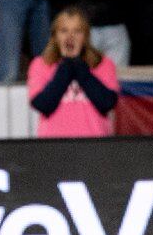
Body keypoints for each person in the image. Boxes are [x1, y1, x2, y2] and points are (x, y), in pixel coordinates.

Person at [27, 7, 120, 138]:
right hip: (53, 144)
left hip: (95, 143)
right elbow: (43, 105)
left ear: (85, 35)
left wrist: (77, 63)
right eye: (64, 31)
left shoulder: (103, 64)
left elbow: (107, 103)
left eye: (77, 31)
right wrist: (66, 64)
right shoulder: (41, 64)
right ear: (55, 35)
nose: (70, 37)